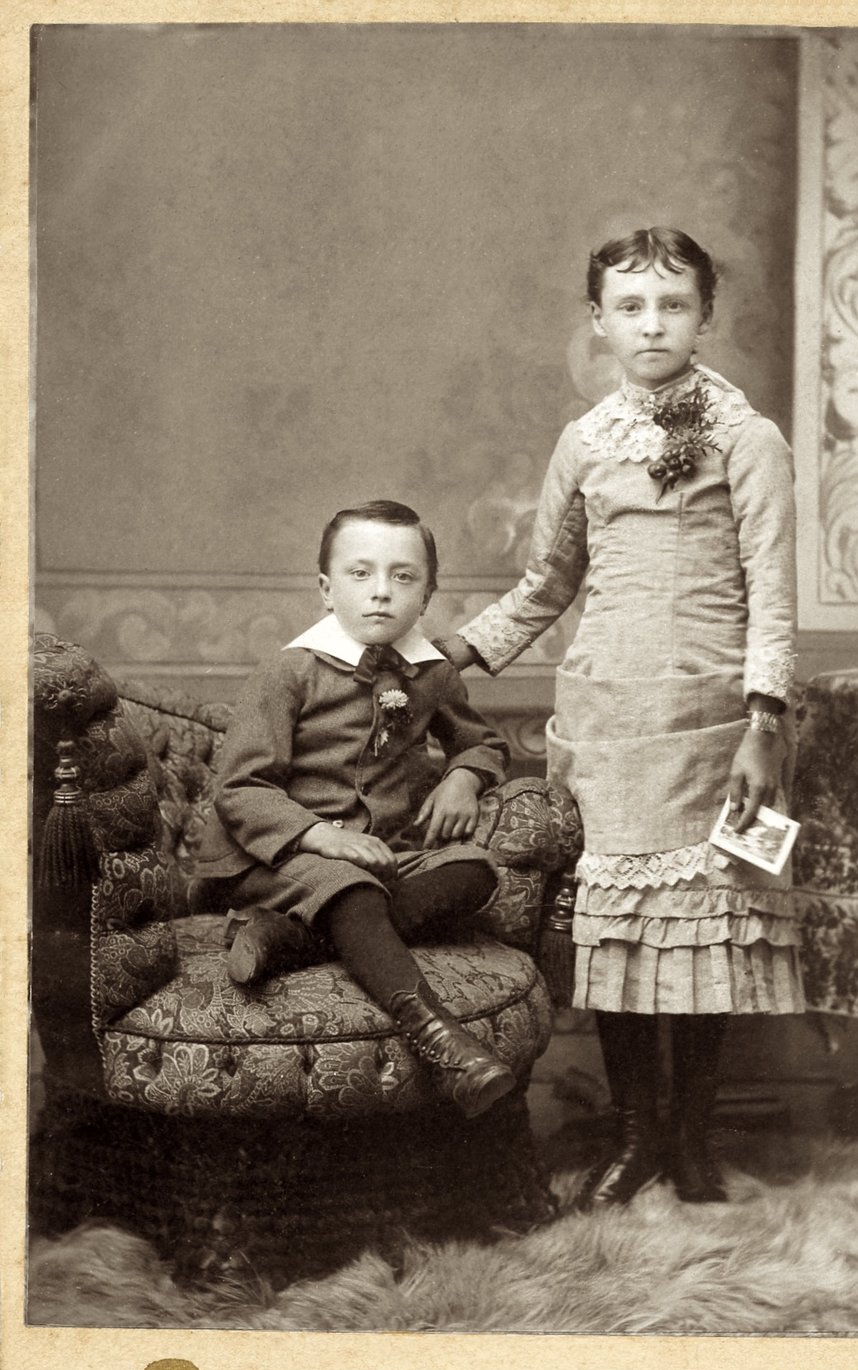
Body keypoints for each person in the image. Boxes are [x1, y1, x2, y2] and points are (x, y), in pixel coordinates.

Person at [442, 227, 804, 1200]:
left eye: (673, 303)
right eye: (630, 306)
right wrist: (449, 656)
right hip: (604, 723)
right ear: (597, 322)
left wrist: (762, 724)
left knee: (706, 934)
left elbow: (772, 590)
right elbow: (543, 585)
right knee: (617, 940)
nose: (652, 324)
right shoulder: (584, 444)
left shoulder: (747, 437)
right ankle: (635, 1136)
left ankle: (690, 1140)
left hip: (716, 727)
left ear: (704, 315)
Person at [194, 499, 516, 1120]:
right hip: (270, 854)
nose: (380, 594)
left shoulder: (432, 674)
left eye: (403, 577)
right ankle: (444, 1042)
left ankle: (288, 938)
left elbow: (482, 741)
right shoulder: (289, 672)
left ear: (427, 595)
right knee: (350, 887)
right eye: (360, 574)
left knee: (475, 873)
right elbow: (240, 788)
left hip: (375, 855)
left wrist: (463, 780)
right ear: (325, 587)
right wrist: (320, 837)